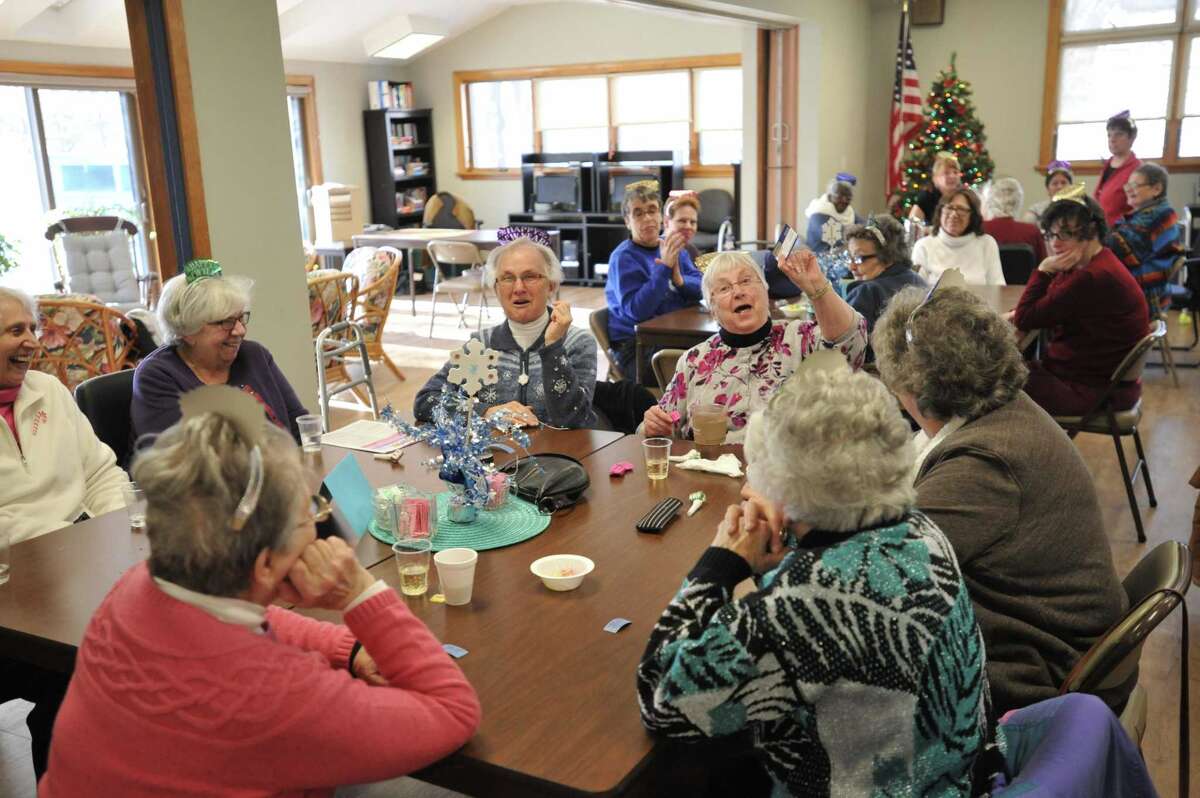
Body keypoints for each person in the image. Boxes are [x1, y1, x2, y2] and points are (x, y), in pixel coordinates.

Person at [39, 386, 481, 796]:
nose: (319, 521)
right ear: (266, 564)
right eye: (310, 512)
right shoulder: (278, 695)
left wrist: (348, 649)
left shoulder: (136, 585)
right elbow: (454, 710)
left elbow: (245, 625)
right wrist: (360, 593)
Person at [637, 353, 989, 797]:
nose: (749, 486)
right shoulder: (922, 532)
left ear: (784, 484)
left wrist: (721, 563)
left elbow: (662, 701)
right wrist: (786, 548)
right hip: (949, 778)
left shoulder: (801, 602)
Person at [873, 276, 1132, 715]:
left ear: (912, 391)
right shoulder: (1003, 411)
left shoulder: (984, 461)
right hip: (1064, 640)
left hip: (1043, 672)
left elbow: (882, 575)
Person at [0, 286, 128, 778]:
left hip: (76, 566)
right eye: (16, 330)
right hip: (13, 592)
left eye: (33, 328)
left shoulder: (49, 392)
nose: (32, 341)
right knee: (85, 672)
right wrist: (65, 541)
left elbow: (101, 472)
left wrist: (112, 531)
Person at [643, 250, 866, 443]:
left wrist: (816, 286)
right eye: (724, 288)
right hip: (708, 473)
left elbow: (850, 343)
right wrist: (653, 426)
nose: (738, 292)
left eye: (746, 281)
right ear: (712, 308)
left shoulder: (800, 339)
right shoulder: (694, 361)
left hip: (788, 474)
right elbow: (663, 427)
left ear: (766, 291)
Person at [415, 227, 597, 428]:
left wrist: (553, 347)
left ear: (551, 285)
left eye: (530, 276)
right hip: (498, 448)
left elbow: (574, 419)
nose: (519, 288)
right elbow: (426, 400)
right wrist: (486, 412)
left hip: (563, 448)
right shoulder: (481, 346)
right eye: (508, 278)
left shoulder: (576, 343)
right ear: (496, 288)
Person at [132, 259, 309, 441]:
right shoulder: (158, 376)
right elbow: (176, 455)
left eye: (241, 318)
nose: (240, 330)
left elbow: (300, 428)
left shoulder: (254, 355)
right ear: (187, 331)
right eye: (226, 322)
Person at [1015, 187, 1149, 416]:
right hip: (1100, 383)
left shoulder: (1091, 277)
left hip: (1092, 392)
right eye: (1050, 234)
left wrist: (1043, 269)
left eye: (1065, 234)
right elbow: (1049, 302)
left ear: (1092, 232)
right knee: (999, 372)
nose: (1055, 244)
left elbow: (1025, 318)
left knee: (987, 380)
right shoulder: (1098, 261)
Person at [605, 180, 703, 382]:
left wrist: (680, 280)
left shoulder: (671, 246)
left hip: (672, 334)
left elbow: (702, 287)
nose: (647, 218)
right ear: (627, 221)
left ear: (661, 216)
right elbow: (638, 311)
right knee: (705, 369)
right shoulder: (623, 258)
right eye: (638, 213)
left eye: (652, 210)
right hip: (637, 347)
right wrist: (664, 268)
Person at [1106, 162, 1183, 316]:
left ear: (1156, 189)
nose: (1129, 190)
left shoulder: (1158, 216)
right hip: (1143, 289)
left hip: (1146, 297)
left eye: (1135, 185)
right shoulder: (1144, 214)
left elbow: (1119, 248)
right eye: (1128, 185)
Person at [842, 214, 927, 332]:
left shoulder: (865, 293)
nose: (851, 267)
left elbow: (844, 338)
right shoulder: (918, 280)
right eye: (849, 257)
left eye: (859, 258)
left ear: (887, 256)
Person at [911, 187, 1005, 285]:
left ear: (972, 216)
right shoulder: (923, 246)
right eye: (949, 208)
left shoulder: (987, 244)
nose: (954, 214)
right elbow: (915, 290)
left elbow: (998, 287)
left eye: (961, 209)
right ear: (940, 212)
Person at [982, 177, 1046, 262]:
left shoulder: (979, 229)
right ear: (1018, 201)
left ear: (990, 200)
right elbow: (1043, 266)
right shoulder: (1032, 232)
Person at [1095, 111, 1142, 226]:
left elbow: (1140, 208)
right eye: (1109, 135)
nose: (1112, 139)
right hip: (1102, 229)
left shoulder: (1138, 169)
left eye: (1119, 134)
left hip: (1122, 231)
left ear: (1132, 138)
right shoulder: (1108, 164)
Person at [804, 173, 863, 252]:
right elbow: (835, 238)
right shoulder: (818, 213)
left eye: (848, 198)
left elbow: (865, 225)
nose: (844, 200)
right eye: (840, 196)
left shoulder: (848, 211)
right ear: (830, 195)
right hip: (820, 257)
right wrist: (857, 230)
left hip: (841, 255)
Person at [908, 151, 962, 224]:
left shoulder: (965, 196)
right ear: (936, 178)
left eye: (955, 172)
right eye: (946, 173)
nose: (952, 176)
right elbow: (912, 224)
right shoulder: (927, 196)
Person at [1023, 160, 1074, 226]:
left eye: (1063, 183)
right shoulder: (1036, 211)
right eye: (1055, 183)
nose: (1059, 187)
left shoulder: (1081, 210)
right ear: (1048, 190)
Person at [664, 190, 702, 262]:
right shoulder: (654, 251)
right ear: (666, 222)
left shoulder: (692, 251)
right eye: (682, 221)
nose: (688, 226)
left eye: (693, 222)